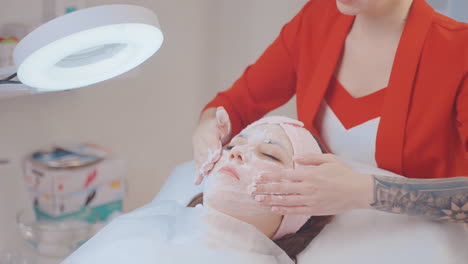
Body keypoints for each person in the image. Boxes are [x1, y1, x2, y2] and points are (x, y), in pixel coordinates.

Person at [193, 0, 468, 223]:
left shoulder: (458, 51)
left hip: (422, 245)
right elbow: (235, 105)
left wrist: (366, 192)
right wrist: (211, 126)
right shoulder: (316, 20)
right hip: (326, 241)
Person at [62, 116, 333, 264]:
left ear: (299, 208)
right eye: (231, 146)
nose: (237, 153)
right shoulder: (140, 226)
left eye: (270, 155)